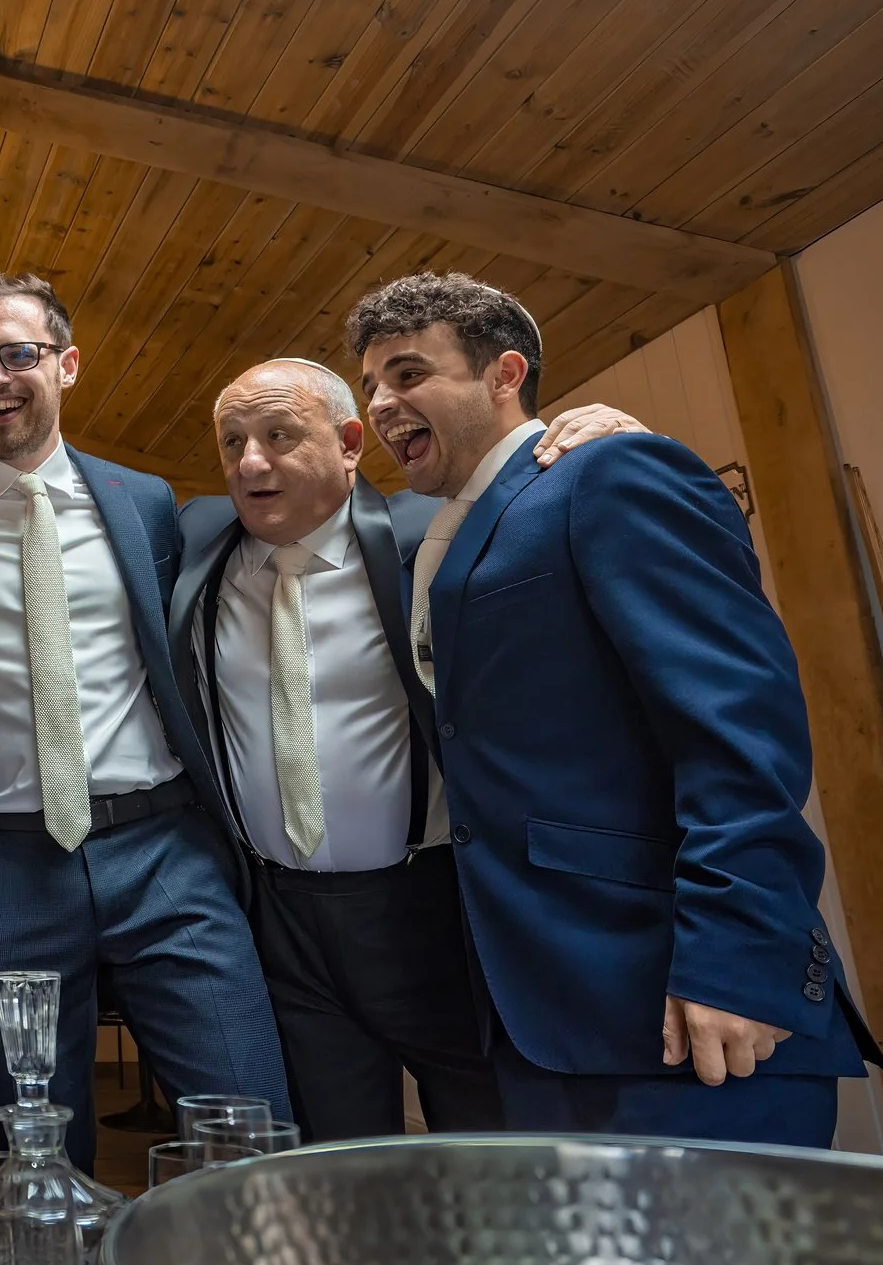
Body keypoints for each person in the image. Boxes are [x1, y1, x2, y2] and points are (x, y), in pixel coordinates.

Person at [347, 272, 881, 1145]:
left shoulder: (610, 473)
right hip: (535, 1017)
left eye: (407, 373)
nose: (382, 402)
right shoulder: (432, 537)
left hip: (674, 997)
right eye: (372, 385)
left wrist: (736, 960)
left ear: (503, 373)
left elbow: (737, 728)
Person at [0, 272, 287, 1175]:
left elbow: (295, 509)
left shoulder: (144, 502)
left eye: (18, 353)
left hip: (165, 851)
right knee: (34, 1164)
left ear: (66, 365)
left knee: (245, 1127)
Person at [172, 359, 644, 1140]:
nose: (250, 461)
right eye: (232, 441)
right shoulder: (194, 544)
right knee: (340, 1161)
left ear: (352, 441)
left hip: (429, 909)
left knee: (489, 1148)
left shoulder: (440, 538)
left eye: (279, 434)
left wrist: (608, 439)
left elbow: (559, 506)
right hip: (281, 924)